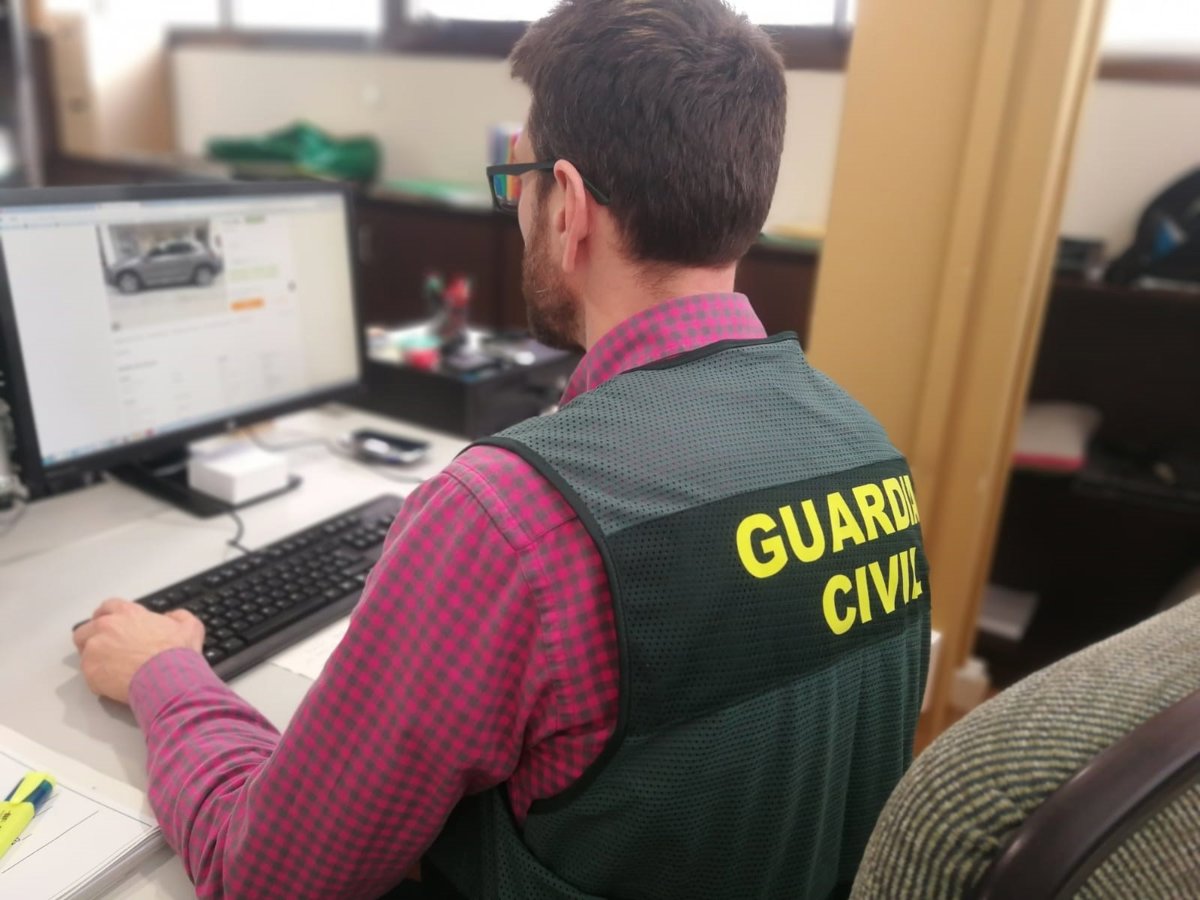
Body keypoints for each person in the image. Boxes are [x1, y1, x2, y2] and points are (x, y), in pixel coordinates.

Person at [72, 1, 931, 898]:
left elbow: (271, 876)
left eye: (517, 179)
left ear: (569, 207)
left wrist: (166, 674)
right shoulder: (866, 451)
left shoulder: (509, 520)